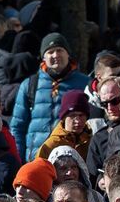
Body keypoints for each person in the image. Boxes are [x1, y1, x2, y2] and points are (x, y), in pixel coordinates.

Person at [10, 32, 88, 160]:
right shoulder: (29, 85)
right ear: (43, 57)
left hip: (70, 161)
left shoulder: (85, 83)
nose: (56, 55)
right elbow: (18, 127)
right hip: (35, 160)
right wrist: (18, 159)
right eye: (50, 52)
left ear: (68, 54)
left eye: (59, 50)